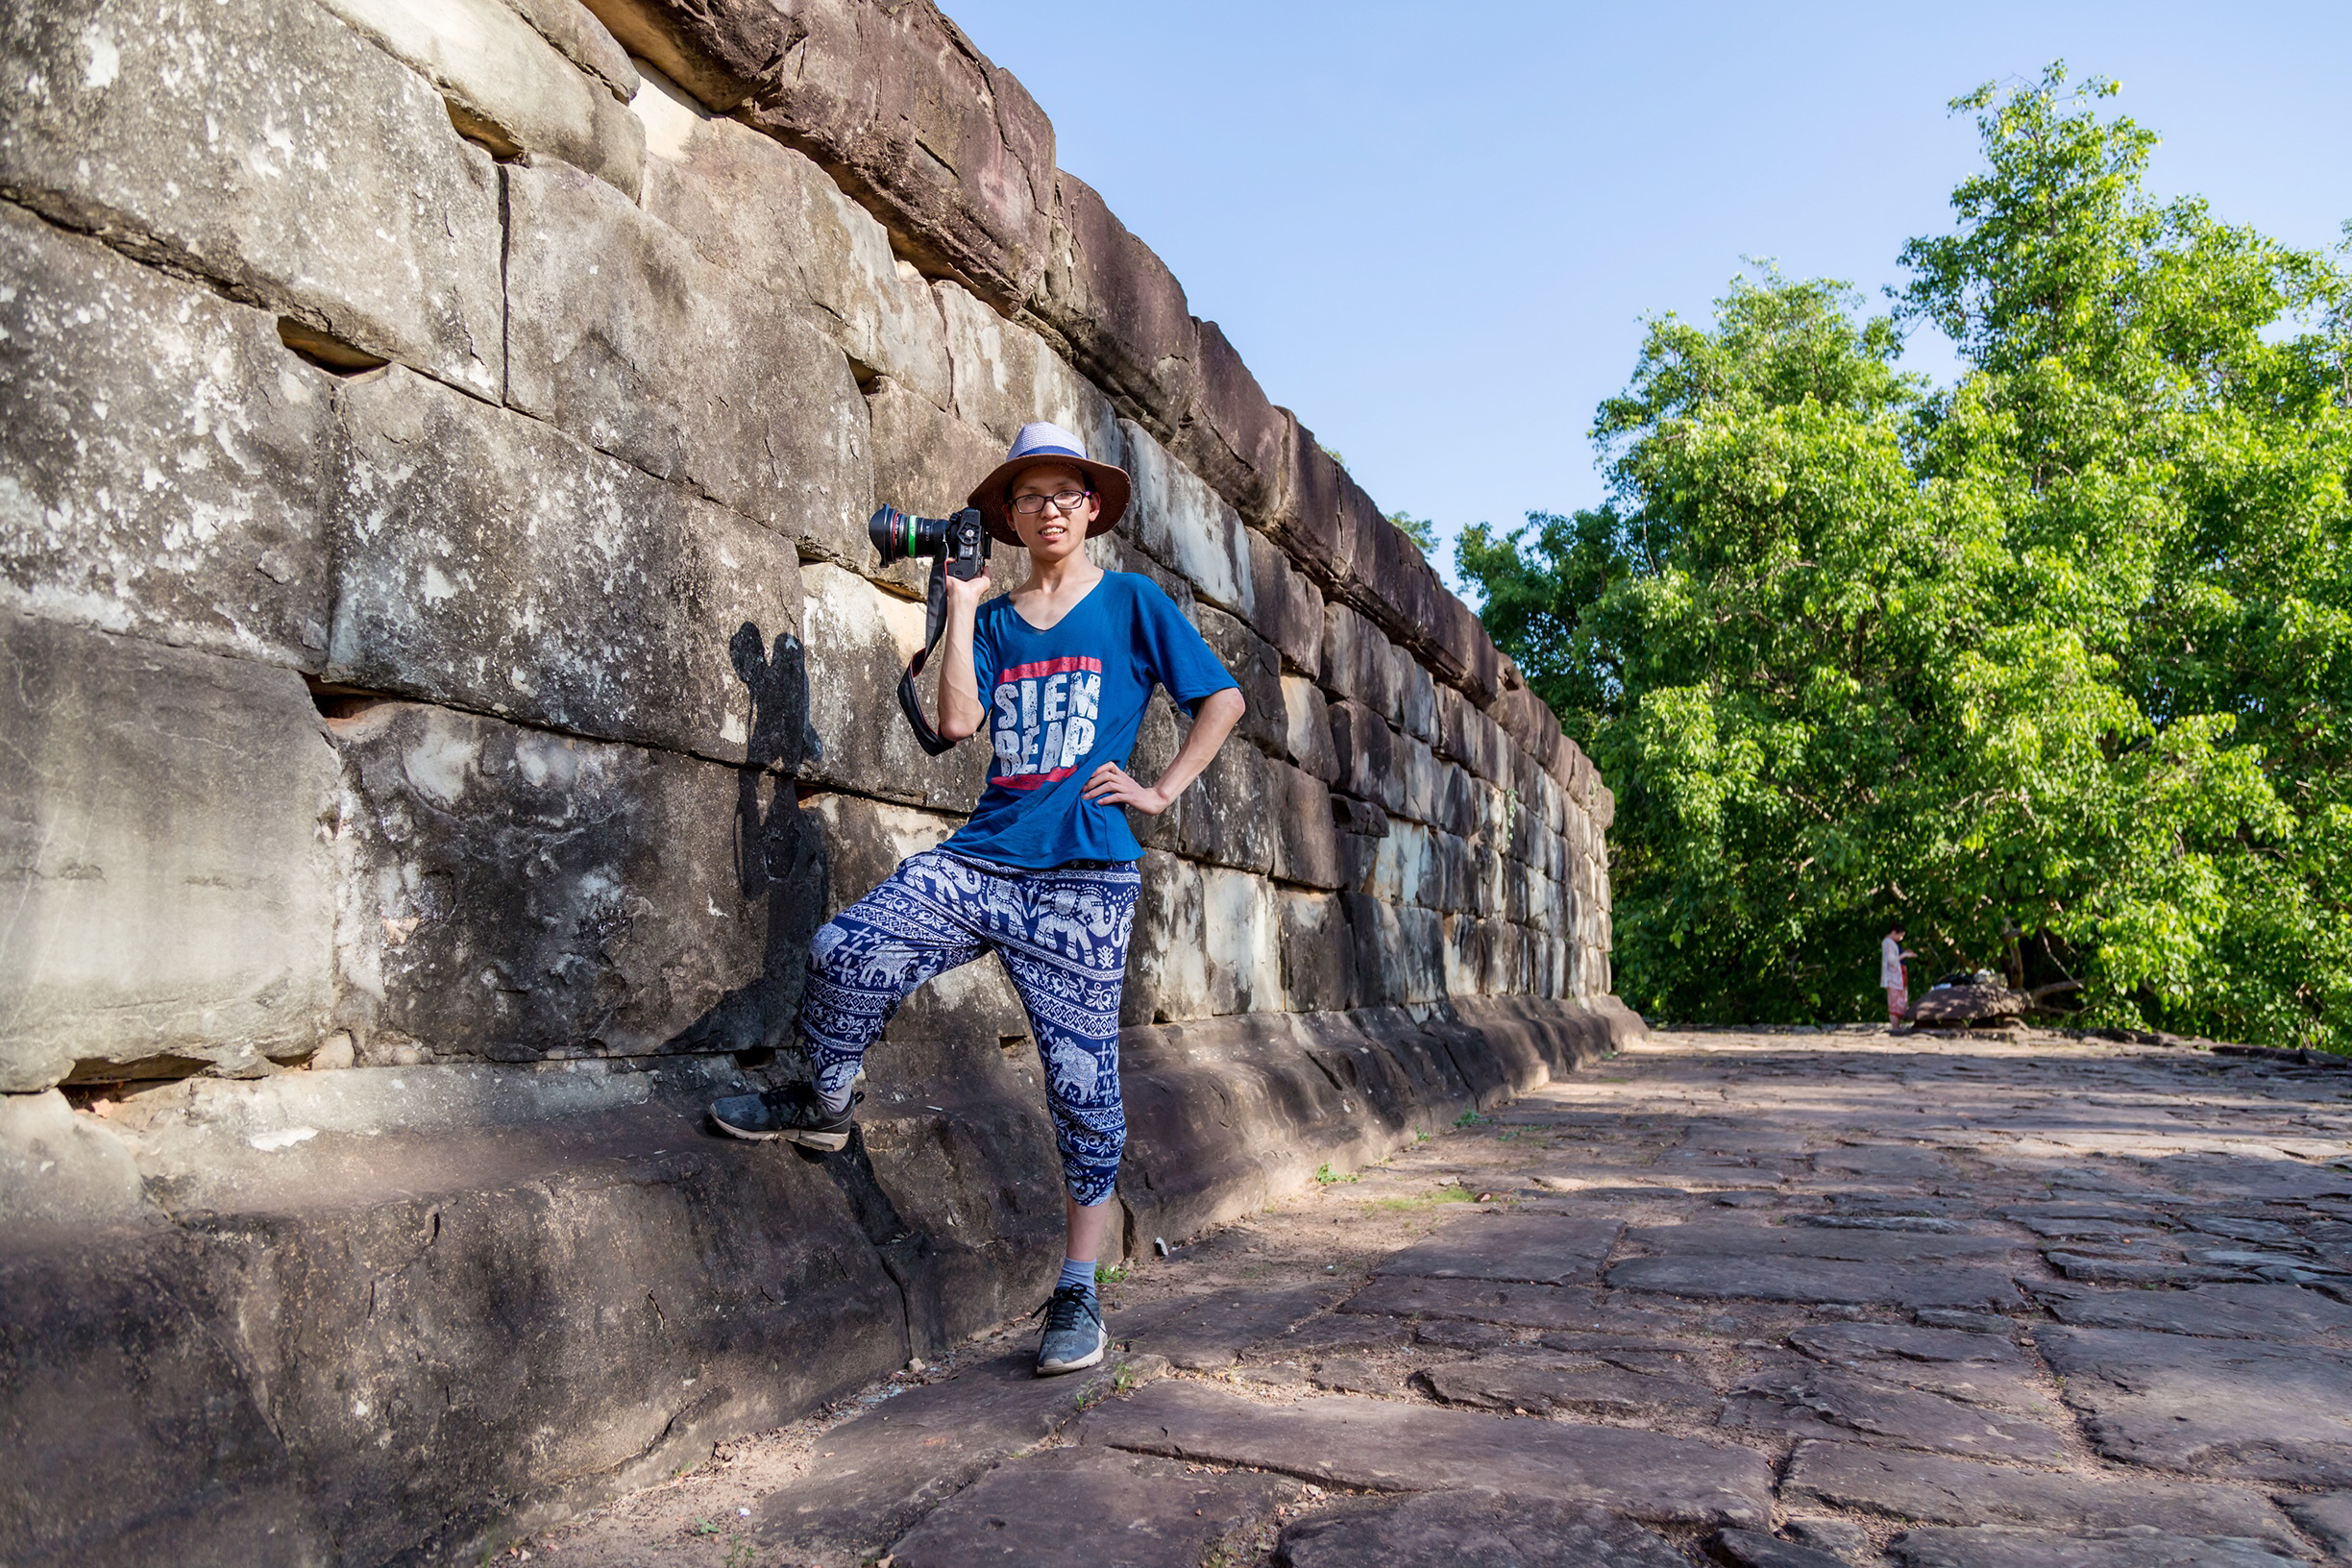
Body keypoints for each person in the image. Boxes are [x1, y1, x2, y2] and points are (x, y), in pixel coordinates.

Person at [706, 422, 1245, 1377]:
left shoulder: (1129, 603)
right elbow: (955, 723)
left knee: (1082, 1092)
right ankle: (824, 1101)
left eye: (1064, 495)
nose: (1048, 510)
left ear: (1090, 509)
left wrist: (1158, 791)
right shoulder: (993, 619)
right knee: (845, 951)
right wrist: (958, 609)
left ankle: (1077, 1288)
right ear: (1008, 514)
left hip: (1084, 878)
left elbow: (1223, 700)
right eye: (1029, 496)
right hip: (984, 859)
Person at [1881, 926, 1917, 1026]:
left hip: (1899, 977)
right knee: (1895, 1003)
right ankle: (1895, 1027)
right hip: (1894, 978)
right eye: (1901, 935)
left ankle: (1897, 1026)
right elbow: (1891, 960)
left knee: (1901, 1002)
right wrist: (1905, 955)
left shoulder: (1891, 943)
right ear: (1894, 932)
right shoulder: (1888, 943)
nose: (1901, 938)